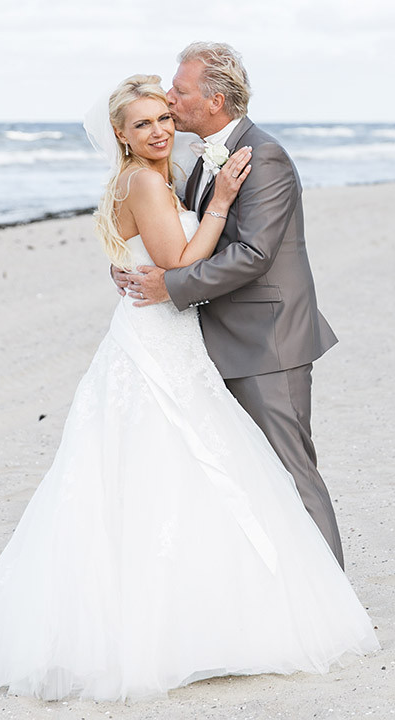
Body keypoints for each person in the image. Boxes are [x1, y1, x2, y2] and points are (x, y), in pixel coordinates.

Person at [0, 74, 378, 702]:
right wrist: (222, 205)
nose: (161, 128)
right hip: (157, 338)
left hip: (172, 333)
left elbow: (163, 252)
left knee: (184, 464)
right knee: (171, 462)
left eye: (164, 116)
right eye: (144, 123)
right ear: (121, 137)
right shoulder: (149, 179)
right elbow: (179, 262)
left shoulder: (161, 173)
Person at [120, 42, 346, 567]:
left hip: (268, 341)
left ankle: (331, 601)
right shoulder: (201, 155)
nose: (169, 100)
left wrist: (169, 289)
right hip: (220, 339)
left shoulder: (262, 154)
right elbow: (181, 236)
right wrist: (129, 263)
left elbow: (254, 254)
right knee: (252, 477)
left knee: (292, 473)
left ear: (215, 100)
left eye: (179, 91)